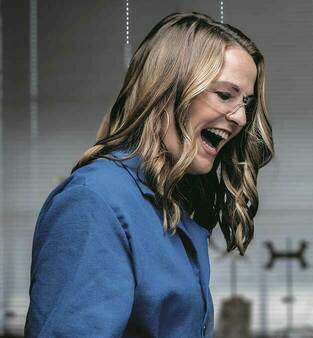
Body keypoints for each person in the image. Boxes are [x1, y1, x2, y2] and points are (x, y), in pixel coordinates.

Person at [24, 12, 273, 338]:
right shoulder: (94, 202)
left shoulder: (169, 207)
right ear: (166, 91)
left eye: (247, 103)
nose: (240, 117)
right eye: (225, 95)